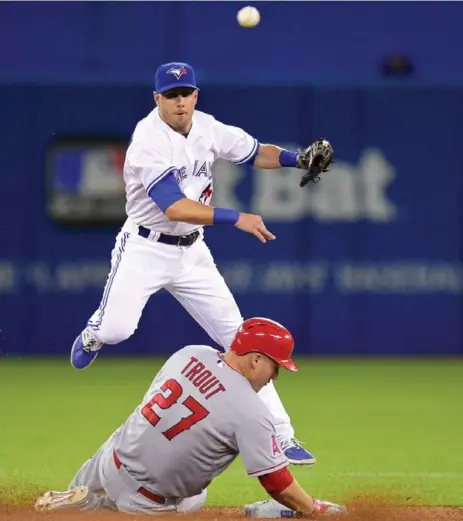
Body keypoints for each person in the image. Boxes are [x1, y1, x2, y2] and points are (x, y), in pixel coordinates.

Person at [70, 61, 328, 464]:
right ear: (157, 98)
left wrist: (298, 159)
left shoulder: (206, 126)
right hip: (145, 248)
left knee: (243, 340)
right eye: (170, 95)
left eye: (185, 93)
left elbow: (256, 152)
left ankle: (283, 435)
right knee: (118, 328)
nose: (179, 102)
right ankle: (94, 333)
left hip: (192, 253)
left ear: (195, 95)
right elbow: (173, 207)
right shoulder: (147, 141)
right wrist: (236, 217)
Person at [36, 318, 346, 518]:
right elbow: (276, 481)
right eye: (276, 366)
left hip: (110, 459)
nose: (275, 376)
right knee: (190, 501)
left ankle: (75, 497)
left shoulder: (189, 353)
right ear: (255, 360)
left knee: (190, 490)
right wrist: (313, 508)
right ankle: (92, 509)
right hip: (145, 501)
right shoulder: (251, 412)